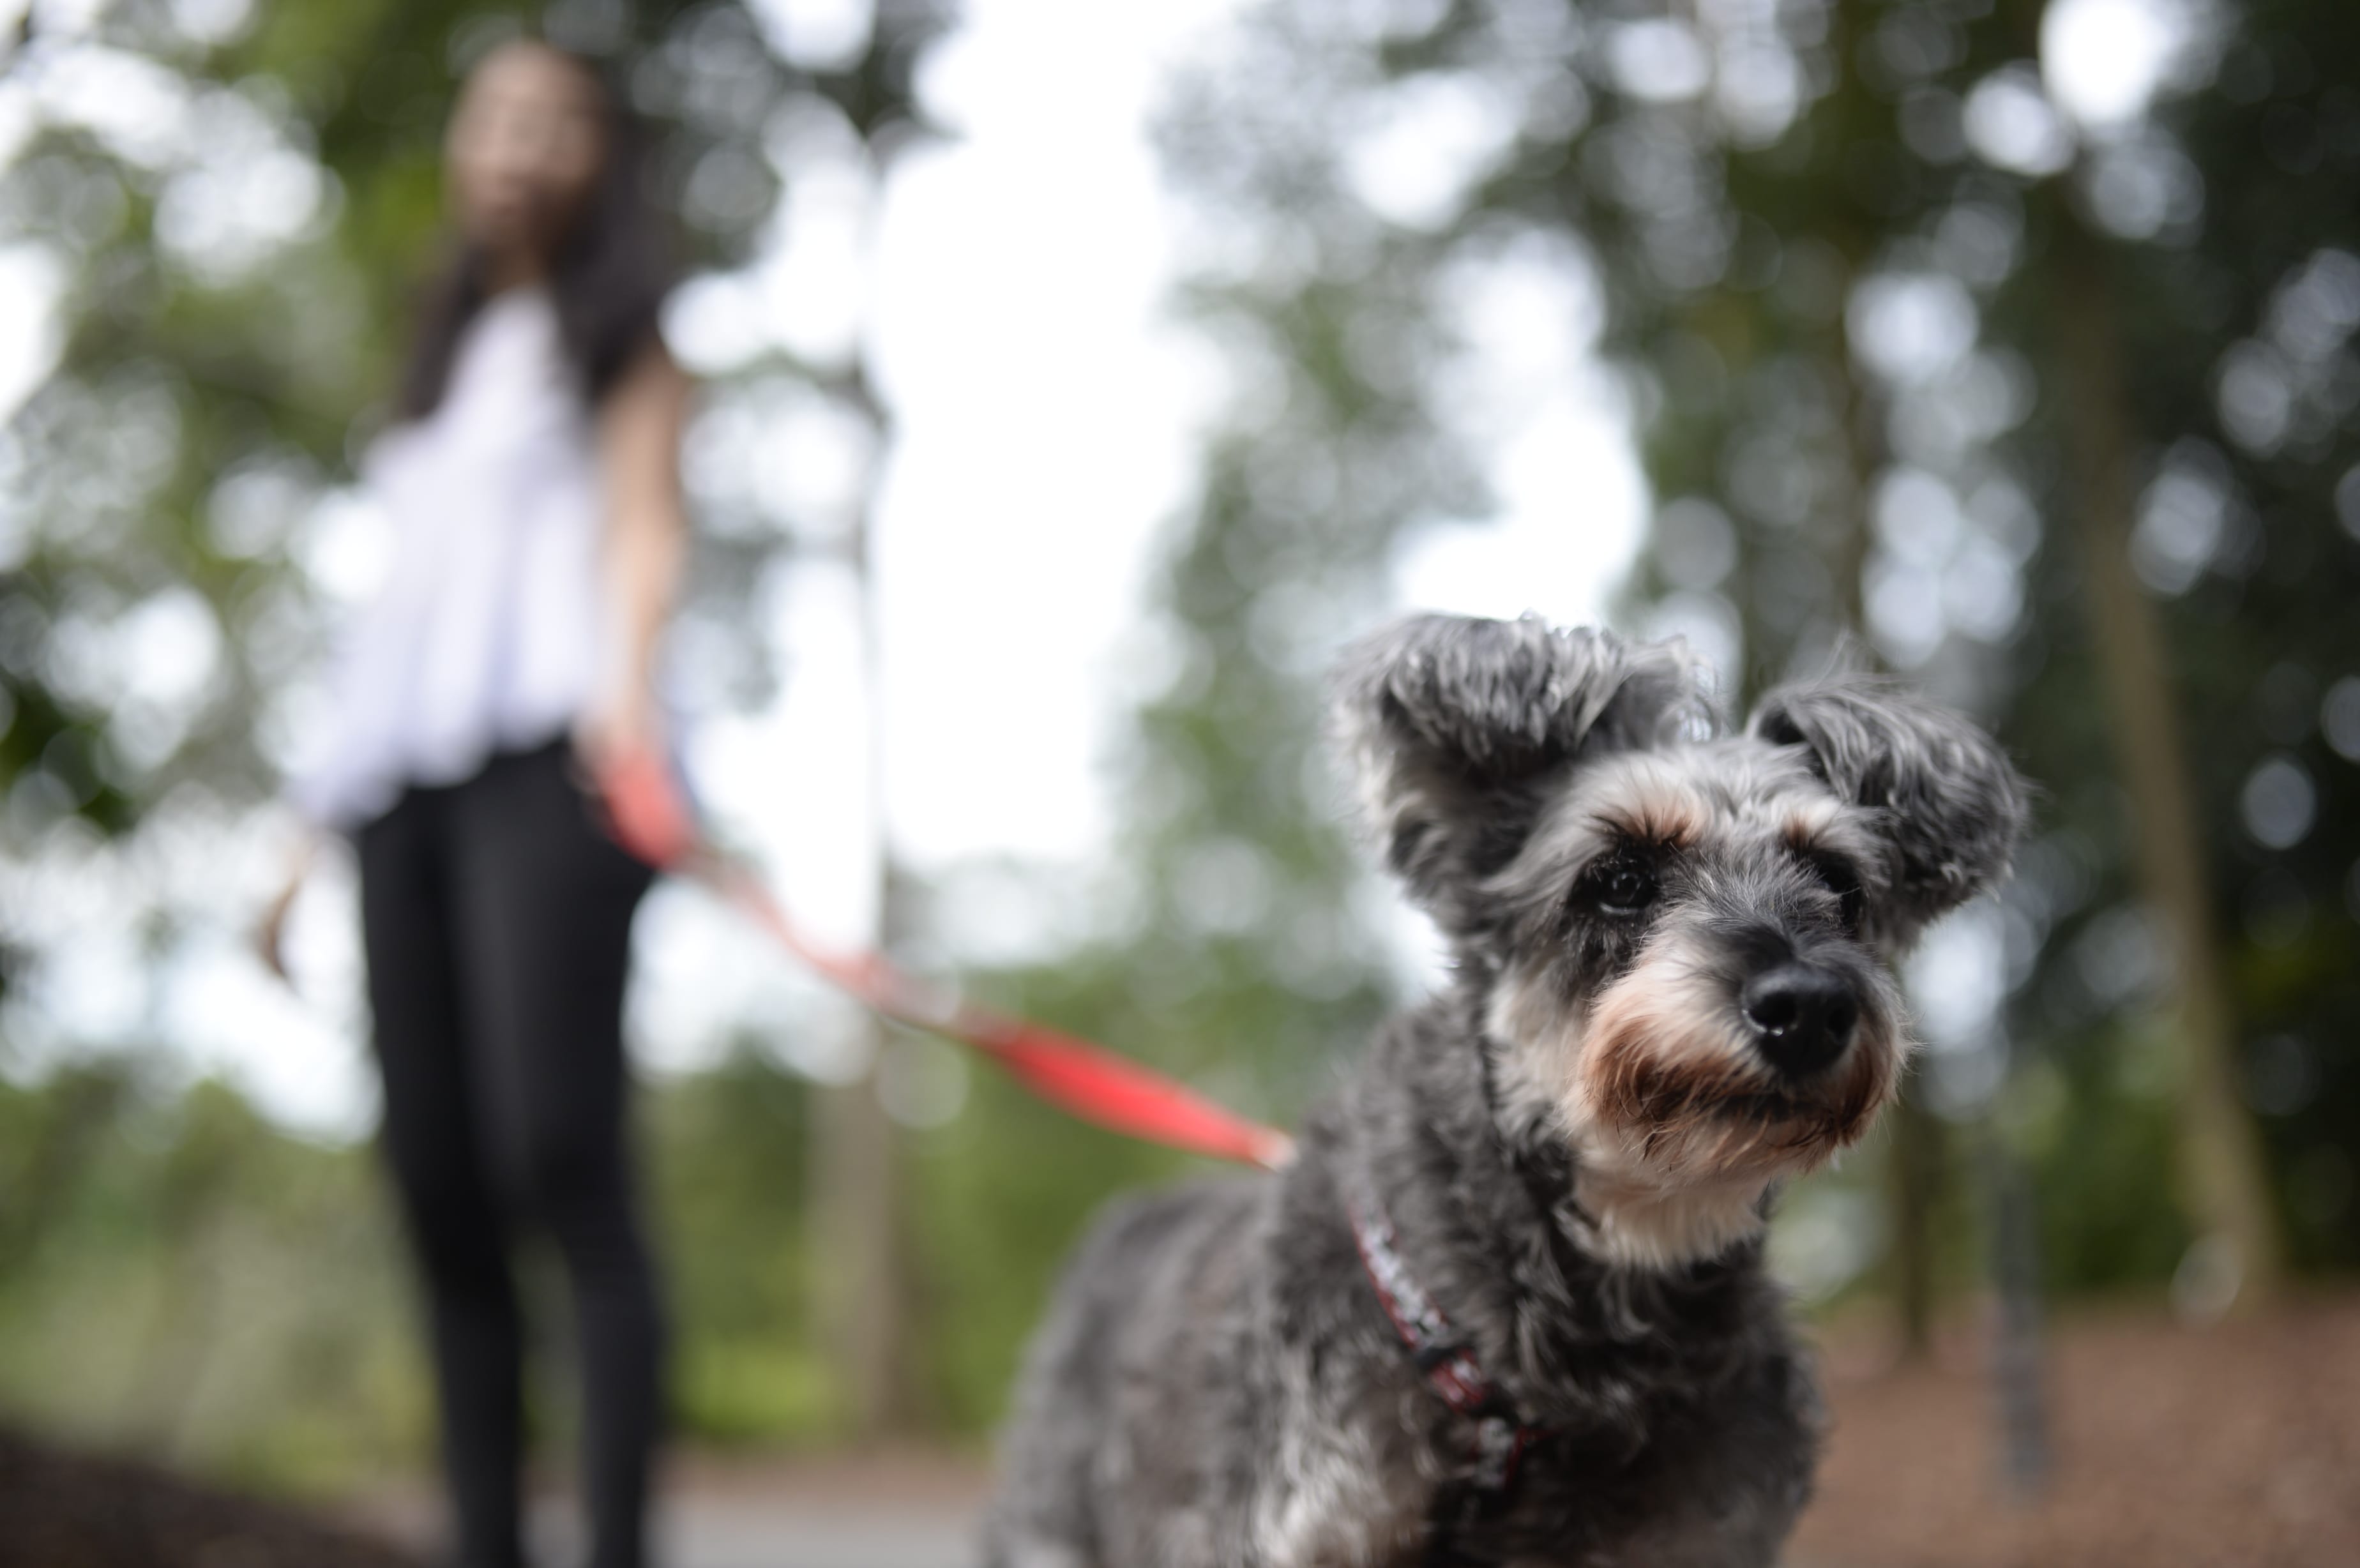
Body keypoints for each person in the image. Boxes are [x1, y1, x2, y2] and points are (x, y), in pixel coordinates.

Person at [262, 39, 690, 1568]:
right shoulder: (438, 360)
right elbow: (392, 620)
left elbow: (643, 531)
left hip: (552, 771)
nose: (523, 145)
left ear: (600, 158)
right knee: (439, 1192)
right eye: (500, 116)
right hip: (402, 798)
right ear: (464, 141)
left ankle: (622, 1544)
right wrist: (295, 840)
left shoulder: (622, 340)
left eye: (560, 123)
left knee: (555, 1157)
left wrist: (629, 713)